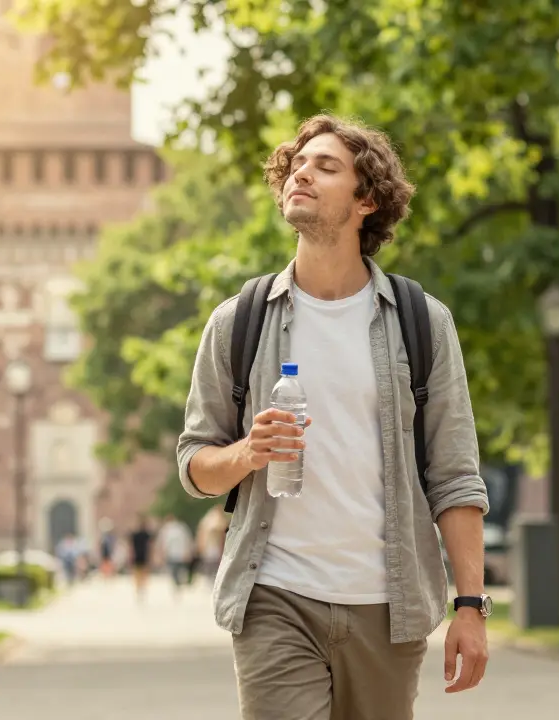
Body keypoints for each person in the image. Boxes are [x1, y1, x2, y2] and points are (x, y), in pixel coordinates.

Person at [176, 114, 492, 720]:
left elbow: (454, 476)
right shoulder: (238, 321)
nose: (303, 173)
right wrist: (249, 451)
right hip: (275, 597)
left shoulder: (422, 322)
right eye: (297, 164)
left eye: (326, 167)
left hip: (388, 605)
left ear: (366, 199)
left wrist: (471, 606)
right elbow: (196, 466)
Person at [158, 514, 195, 594]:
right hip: (172, 554)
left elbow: (187, 540)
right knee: (174, 570)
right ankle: (177, 583)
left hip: (178, 554)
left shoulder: (180, 528)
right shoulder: (166, 529)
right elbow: (163, 543)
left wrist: (187, 551)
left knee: (177, 570)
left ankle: (179, 582)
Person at [128, 516, 154, 602]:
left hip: (138, 556)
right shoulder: (146, 535)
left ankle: (139, 586)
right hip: (143, 556)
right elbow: (150, 545)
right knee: (142, 573)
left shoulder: (136, 535)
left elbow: (131, 547)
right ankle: (141, 586)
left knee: (138, 573)